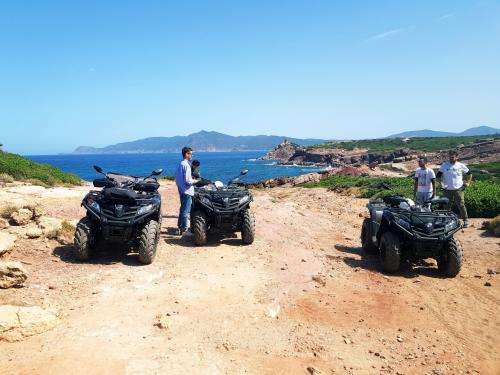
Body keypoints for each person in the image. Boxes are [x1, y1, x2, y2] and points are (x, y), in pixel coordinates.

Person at [437, 150, 472, 227]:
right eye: (450, 157)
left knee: (461, 205)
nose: (451, 158)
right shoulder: (444, 165)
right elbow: (438, 176)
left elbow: (469, 174)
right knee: (446, 206)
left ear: (457, 157)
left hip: (458, 189)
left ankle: (465, 220)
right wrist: (441, 184)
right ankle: (446, 220)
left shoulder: (461, 165)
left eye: (452, 157)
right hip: (447, 189)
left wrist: (468, 183)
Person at [175, 147, 198, 234]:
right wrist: (195, 181)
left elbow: (177, 178)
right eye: (191, 154)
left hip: (181, 190)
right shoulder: (187, 165)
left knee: (182, 209)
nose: (192, 155)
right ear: (186, 154)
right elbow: (188, 181)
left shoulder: (180, 164)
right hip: (187, 191)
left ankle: (180, 228)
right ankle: (184, 230)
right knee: (186, 211)